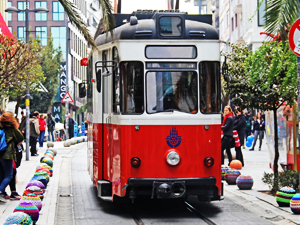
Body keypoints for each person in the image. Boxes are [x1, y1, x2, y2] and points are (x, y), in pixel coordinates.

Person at [0, 112, 23, 202]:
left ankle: (3, 193)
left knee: (1, 175)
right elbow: (21, 137)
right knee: (9, 175)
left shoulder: (1, 128)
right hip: (8, 154)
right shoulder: (12, 129)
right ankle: (0, 191)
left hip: (0, 154)